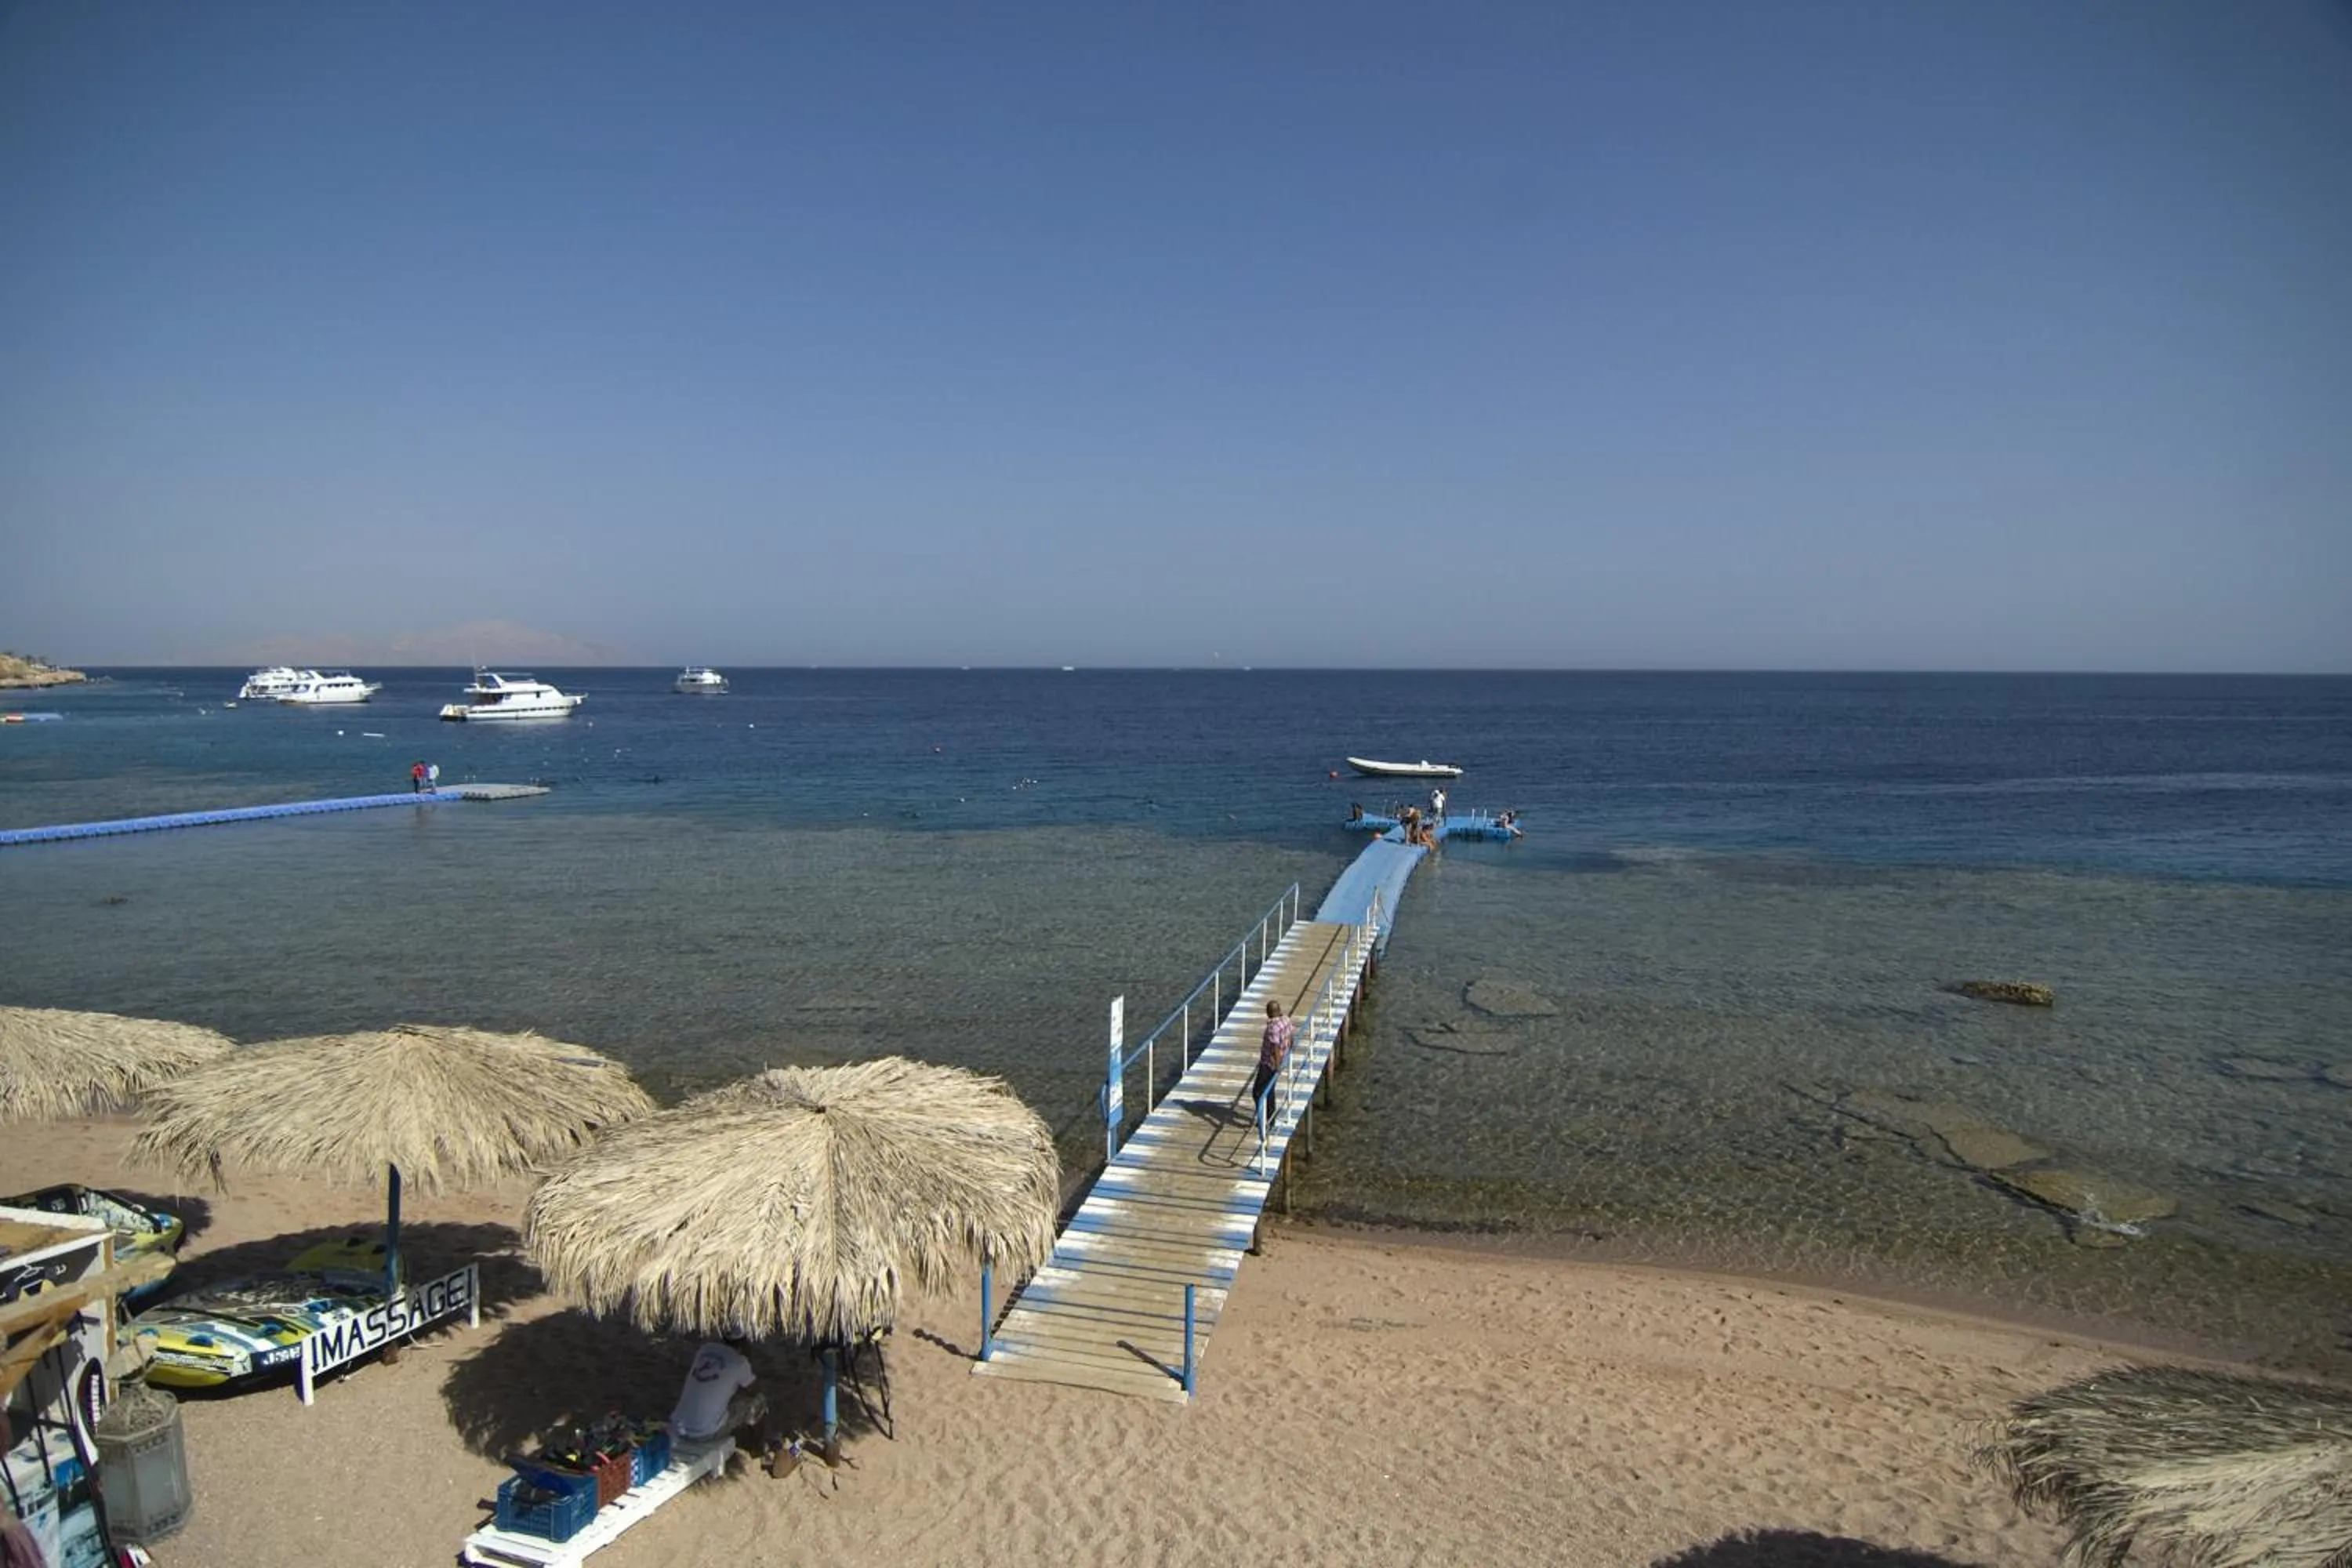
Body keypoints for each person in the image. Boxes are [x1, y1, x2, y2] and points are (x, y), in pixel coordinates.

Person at [670, 1334, 763, 1445]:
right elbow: (755, 1390)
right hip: (704, 1434)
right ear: (745, 1342)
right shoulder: (739, 1362)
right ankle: (756, 1448)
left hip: (677, 1427)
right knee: (759, 1402)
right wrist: (748, 1358)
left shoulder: (705, 1349)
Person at [1247, 1000, 1295, 1123]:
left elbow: (1275, 1048)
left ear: (1268, 1013)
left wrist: (1277, 1066)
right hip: (1280, 1059)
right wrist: (1290, 1049)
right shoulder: (1286, 1020)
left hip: (1269, 1063)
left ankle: (1264, 1119)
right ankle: (1270, 1118)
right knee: (1270, 1089)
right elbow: (1291, 1035)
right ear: (1279, 1011)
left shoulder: (1272, 1028)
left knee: (1257, 1092)